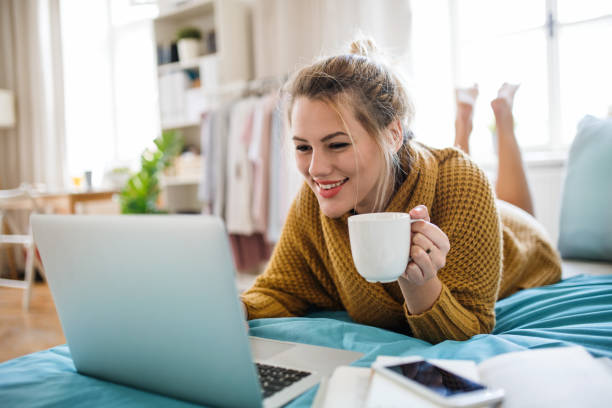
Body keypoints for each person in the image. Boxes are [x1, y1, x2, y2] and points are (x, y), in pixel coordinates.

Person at [240, 38, 561, 344]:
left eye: (337, 144)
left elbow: (473, 329)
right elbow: (278, 290)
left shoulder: (461, 181)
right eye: (303, 147)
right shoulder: (315, 198)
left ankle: (501, 116)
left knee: (485, 186)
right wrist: (237, 309)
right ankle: (465, 120)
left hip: (524, 247)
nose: (316, 169)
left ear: (393, 134)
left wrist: (419, 284)